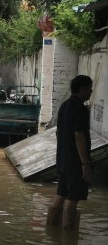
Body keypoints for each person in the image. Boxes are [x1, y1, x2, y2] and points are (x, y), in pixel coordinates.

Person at [47, 75, 93, 230]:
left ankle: (52, 231)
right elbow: (79, 136)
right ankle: (68, 236)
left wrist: (64, 152)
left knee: (60, 196)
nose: (91, 91)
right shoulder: (80, 109)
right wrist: (85, 163)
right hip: (75, 164)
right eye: (89, 88)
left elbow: (58, 133)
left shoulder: (64, 105)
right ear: (82, 89)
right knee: (73, 200)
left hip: (62, 161)